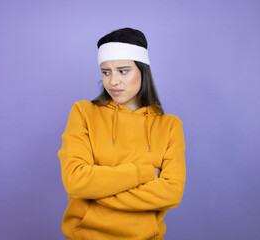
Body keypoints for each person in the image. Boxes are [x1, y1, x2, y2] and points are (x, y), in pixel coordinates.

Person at [57, 27, 186, 240]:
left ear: (142, 70)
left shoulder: (169, 125)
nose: (112, 81)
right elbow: (76, 181)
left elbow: (171, 193)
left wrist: (96, 191)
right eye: (105, 71)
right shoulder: (83, 112)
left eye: (123, 71)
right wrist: (144, 174)